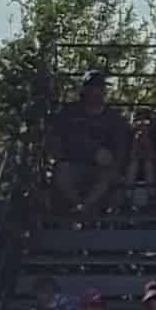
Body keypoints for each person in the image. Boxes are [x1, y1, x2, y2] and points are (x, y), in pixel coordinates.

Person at [52, 72, 133, 211]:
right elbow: (60, 140)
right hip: (74, 164)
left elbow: (121, 149)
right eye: (92, 87)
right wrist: (92, 151)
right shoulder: (69, 113)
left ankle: (83, 208)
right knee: (61, 172)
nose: (97, 91)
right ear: (84, 89)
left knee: (109, 177)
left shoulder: (115, 118)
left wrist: (113, 163)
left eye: (100, 88)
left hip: (103, 169)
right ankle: (80, 206)